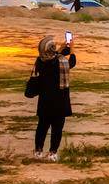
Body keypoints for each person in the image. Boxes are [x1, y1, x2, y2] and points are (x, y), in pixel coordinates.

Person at [29, 34, 76, 162]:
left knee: (42, 126)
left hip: (44, 101)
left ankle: (38, 151)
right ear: (52, 49)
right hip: (60, 101)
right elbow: (71, 63)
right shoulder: (61, 62)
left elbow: (53, 57)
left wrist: (61, 49)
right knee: (57, 128)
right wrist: (72, 50)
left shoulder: (40, 61)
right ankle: (52, 153)